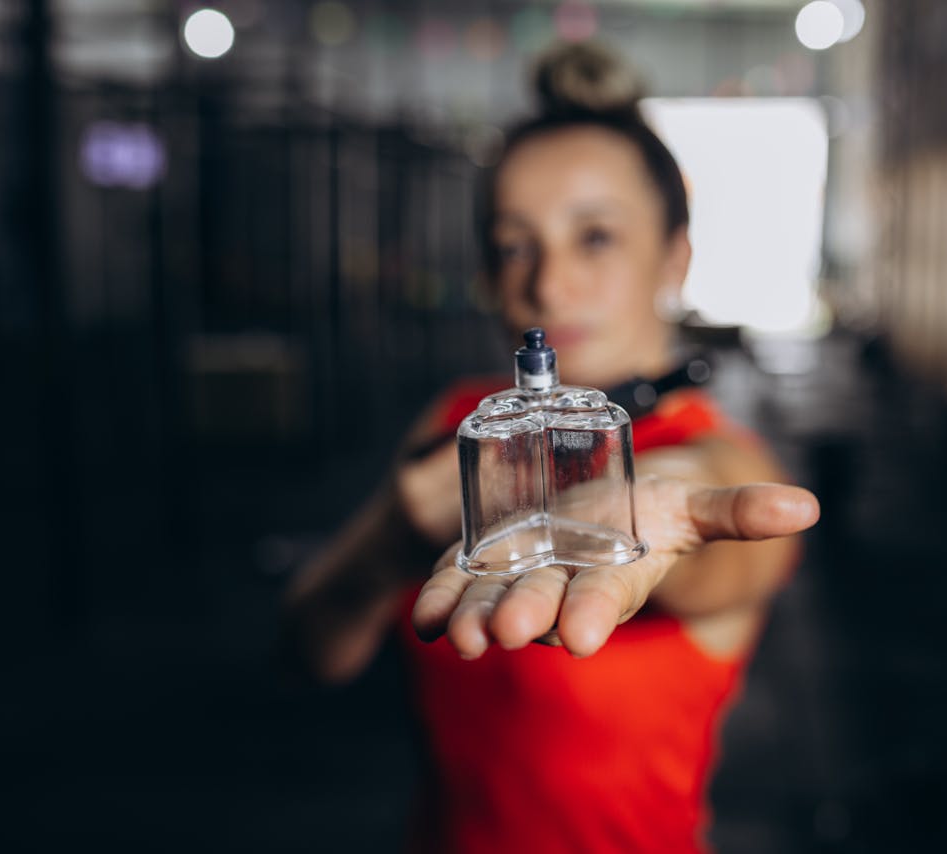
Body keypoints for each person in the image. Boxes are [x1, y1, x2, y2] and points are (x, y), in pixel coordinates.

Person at [283, 41, 820, 853]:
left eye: (595, 237)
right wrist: (396, 532)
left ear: (675, 255)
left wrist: (652, 507)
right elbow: (311, 650)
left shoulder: (714, 456)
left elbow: (718, 519)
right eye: (512, 244)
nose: (548, 283)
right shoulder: (466, 419)